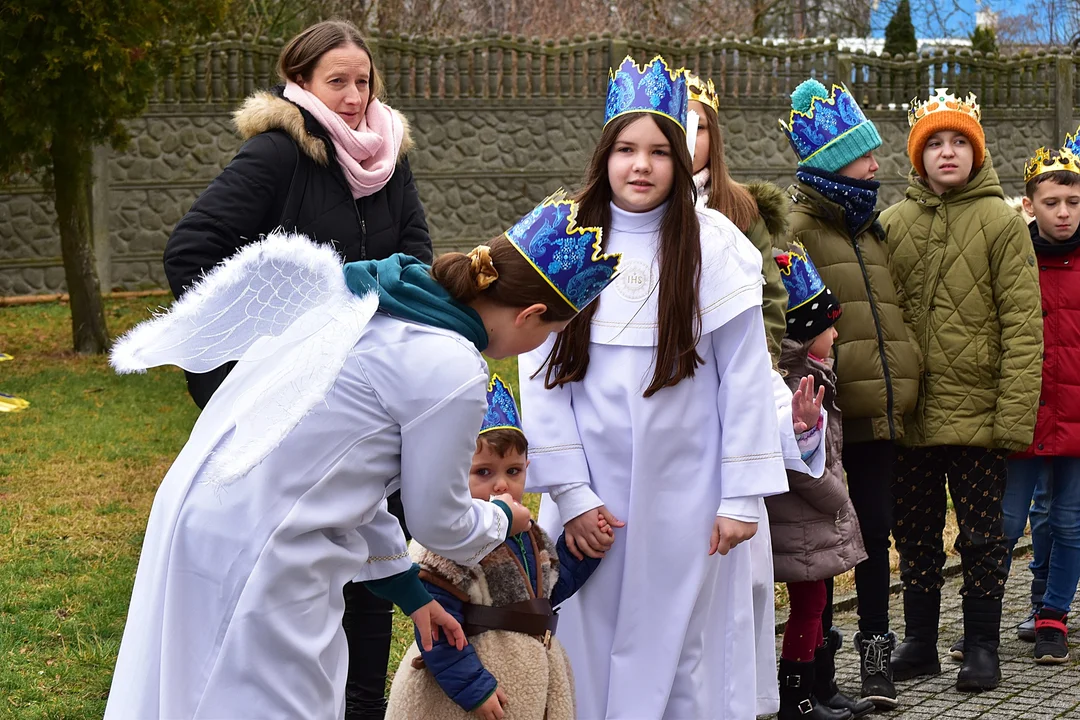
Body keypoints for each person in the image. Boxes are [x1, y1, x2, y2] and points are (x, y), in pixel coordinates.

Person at [102, 188, 622, 718]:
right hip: (265, 547)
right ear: (530, 313)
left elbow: (348, 474)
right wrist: (501, 519)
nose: (543, 345)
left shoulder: (383, 301)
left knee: (187, 691)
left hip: (209, 512)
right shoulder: (449, 363)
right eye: (552, 331)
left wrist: (412, 593)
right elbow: (438, 521)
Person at [160, 20, 431, 715]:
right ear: (302, 82)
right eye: (336, 81)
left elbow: (418, 268)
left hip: (370, 407)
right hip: (291, 414)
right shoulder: (278, 156)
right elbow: (192, 251)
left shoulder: (390, 161)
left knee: (372, 565)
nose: (352, 95)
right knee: (296, 583)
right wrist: (253, 375)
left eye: (362, 81)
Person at [518, 55, 795, 719]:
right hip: (592, 503)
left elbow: (745, 381)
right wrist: (573, 494)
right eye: (625, 149)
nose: (639, 166)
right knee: (582, 641)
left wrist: (740, 497)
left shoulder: (716, 245)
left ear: (679, 159)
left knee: (678, 651)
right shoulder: (564, 240)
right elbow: (541, 372)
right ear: (604, 155)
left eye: (656, 152)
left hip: (688, 496)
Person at [881, 88, 1044, 692]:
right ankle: (921, 643)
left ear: (976, 153)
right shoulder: (892, 225)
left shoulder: (1002, 222)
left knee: (982, 535)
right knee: (914, 533)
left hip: (978, 414)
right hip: (911, 417)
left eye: (959, 142)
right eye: (934, 144)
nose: (947, 153)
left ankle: (980, 645)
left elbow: (1025, 328)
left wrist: (1013, 417)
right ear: (916, 156)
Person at [685, 70, 832, 720]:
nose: (686, 136)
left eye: (699, 126)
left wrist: (761, 382)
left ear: (714, 139)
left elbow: (766, 312)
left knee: (737, 584)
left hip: (731, 404)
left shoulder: (738, 214)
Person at [779, 78, 922, 710]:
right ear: (837, 160)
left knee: (877, 529)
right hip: (831, 411)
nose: (877, 164)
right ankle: (821, 658)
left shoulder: (873, 229)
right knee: (831, 539)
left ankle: (875, 648)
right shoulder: (798, 228)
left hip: (881, 408)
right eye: (866, 155)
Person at [386, 374, 604, 720]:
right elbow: (438, 628)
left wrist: (583, 552)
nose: (502, 484)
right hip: (467, 692)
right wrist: (474, 689)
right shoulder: (446, 544)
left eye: (513, 471)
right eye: (483, 472)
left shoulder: (528, 536)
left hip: (523, 677)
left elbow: (541, 595)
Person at [769, 243, 872, 720]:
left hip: (810, 517)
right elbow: (801, 464)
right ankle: (797, 699)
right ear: (807, 335)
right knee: (809, 606)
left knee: (817, 603)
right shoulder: (797, 386)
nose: (836, 333)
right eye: (829, 326)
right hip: (802, 518)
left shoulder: (816, 374)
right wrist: (838, 499)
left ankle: (817, 688)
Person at [998, 141, 1080, 664]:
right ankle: (984, 619)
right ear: (1029, 205)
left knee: (1069, 520)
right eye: (1052, 202)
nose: (1064, 212)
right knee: (1004, 520)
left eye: (1073, 201)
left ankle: (1052, 617)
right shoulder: (1013, 255)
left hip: (1076, 414)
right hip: (1023, 410)